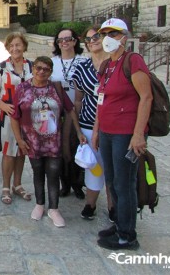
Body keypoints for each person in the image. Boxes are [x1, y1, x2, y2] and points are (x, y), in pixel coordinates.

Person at [93, 18, 152, 250]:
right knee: (112, 181)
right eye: (104, 33)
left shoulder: (133, 61)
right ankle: (119, 224)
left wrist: (138, 135)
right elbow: (102, 100)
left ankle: (128, 235)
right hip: (107, 132)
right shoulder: (107, 66)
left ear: (124, 37)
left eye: (113, 33)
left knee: (124, 184)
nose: (107, 38)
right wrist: (97, 130)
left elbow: (146, 97)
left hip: (126, 134)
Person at [10, 56, 86, 228]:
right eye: (38, 68)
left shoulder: (56, 88)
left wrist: (79, 131)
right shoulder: (22, 88)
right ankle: (39, 204)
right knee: (38, 172)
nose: (41, 72)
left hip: (53, 141)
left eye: (46, 69)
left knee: (53, 174)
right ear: (33, 68)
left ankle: (54, 208)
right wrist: (19, 140)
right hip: (32, 141)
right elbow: (15, 117)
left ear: (51, 72)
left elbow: (70, 109)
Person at [71, 25, 113, 221]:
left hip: (113, 125)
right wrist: (77, 128)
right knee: (94, 165)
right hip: (88, 124)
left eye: (96, 36)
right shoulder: (83, 68)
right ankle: (91, 203)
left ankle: (114, 206)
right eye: (88, 39)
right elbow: (78, 100)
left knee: (112, 168)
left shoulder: (117, 64)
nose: (93, 40)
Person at [0, 32, 33, 205]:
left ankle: (18, 184)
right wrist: (4, 106)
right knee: (9, 152)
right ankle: (6, 187)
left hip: (28, 117)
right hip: (9, 117)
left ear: (24, 46)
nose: (15, 48)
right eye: (12, 46)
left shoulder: (32, 66)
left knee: (22, 150)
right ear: (7, 48)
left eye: (18, 45)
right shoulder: (1, 68)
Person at [51, 28, 87, 199]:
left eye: (67, 39)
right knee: (61, 149)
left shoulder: (84, 62)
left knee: (79, 147)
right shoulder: (53, 63)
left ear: (75, 41)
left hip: (81, 112)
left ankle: (78, 184)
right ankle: (64, 184)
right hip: (59, 114)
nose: (64, 42)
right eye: (60, 40)